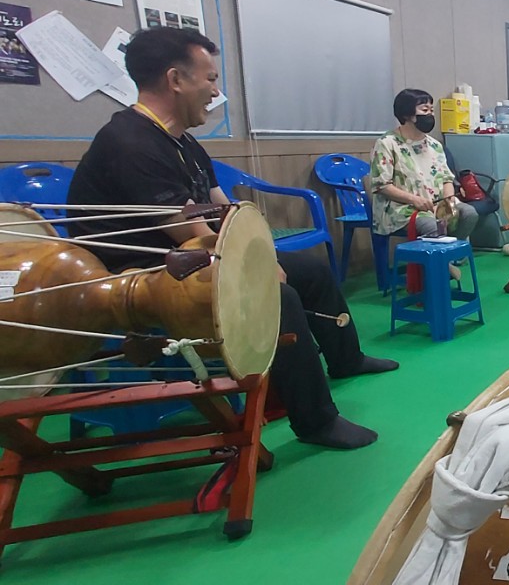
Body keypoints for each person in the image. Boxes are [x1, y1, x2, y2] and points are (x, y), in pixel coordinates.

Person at [67, 27, 397, 450]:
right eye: (210, 79)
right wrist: (257, 267)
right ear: (175, 79)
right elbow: (192, 233)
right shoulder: (129, 142)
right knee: (277, 295)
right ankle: (316, 421)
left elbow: (224, 210)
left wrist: (260, 249)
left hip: (187, 258)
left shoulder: (182, 142)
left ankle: (346, 359)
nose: (215, 91)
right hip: (139, 276)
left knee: (310, 270)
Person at [370, 88, 480, 278]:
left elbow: (446, 178)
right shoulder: (387, 143)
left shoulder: (435, 145)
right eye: (424, 110)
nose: (430, 114)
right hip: (401, 208)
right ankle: (441, 266)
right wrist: (415, 200)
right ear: (407, 114)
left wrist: (448, 200)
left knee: (469, 213)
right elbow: (382, 185)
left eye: (431, 110)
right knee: (431, 225)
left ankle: (445, 259)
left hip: (436, 204)